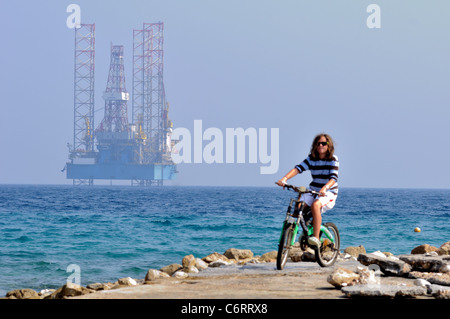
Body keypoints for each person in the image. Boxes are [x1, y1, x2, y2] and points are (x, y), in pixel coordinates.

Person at [276, 133, 339, 248]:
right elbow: (298, 169)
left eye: (324, 143)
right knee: (298, 207)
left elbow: (333, 178)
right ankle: (303, 233)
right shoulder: (311, 158)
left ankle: (315, 238)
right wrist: (284, 179)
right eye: (318, 143)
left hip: (329, 192)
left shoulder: (333, 159)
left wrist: (325, 188)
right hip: (313, 190)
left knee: (315, 205)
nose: (320, 145)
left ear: (328, 145)